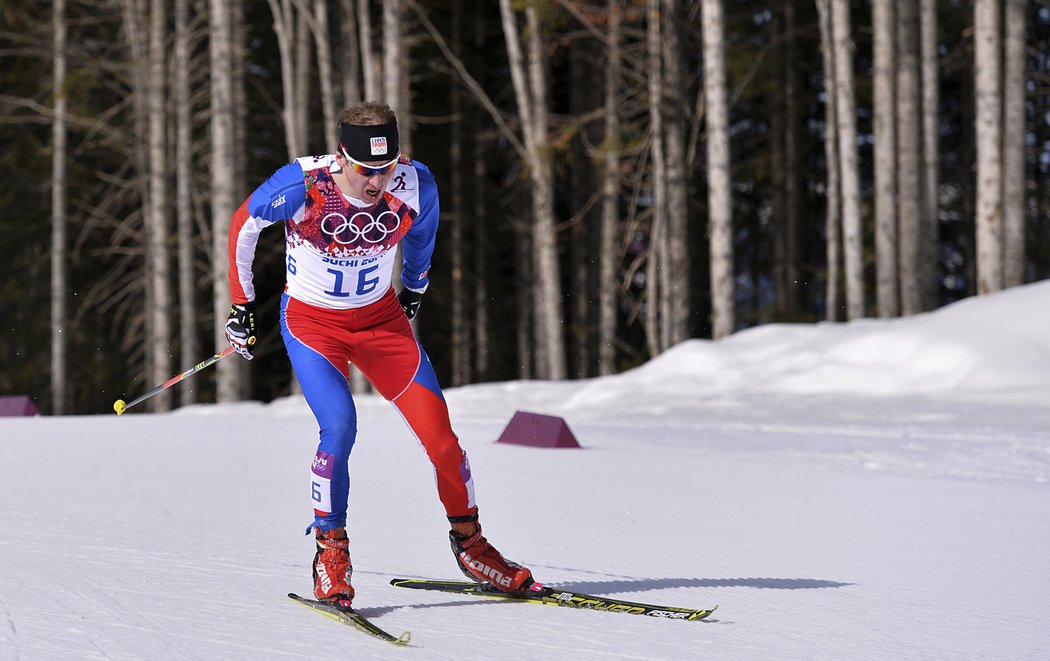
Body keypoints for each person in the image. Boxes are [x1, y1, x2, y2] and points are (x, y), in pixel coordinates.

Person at [224, 101, 532, 609]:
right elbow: (243, 225)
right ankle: (330, 552)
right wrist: (240, 305)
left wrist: (414, 286)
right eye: (367, 171)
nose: (377, 183)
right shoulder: (302, 185)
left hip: (381, 323)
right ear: (342, 157)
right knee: (340, 428)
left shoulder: (416, 183)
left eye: (386, 168)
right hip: (313, 325)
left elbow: (423, 235)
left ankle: (471, 546)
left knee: (442, 440)